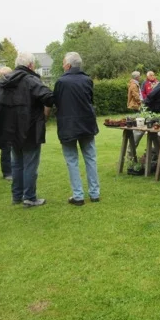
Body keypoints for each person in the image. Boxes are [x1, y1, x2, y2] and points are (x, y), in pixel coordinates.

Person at [0, 52, 54, 208]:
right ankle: (29, 197)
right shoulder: (31, 80)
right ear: (30, 65)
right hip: (30, 129)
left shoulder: (3, 81)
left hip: (10, 130)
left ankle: (17, 196)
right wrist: (43, 112)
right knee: (30, 164)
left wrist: (1, 116)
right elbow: (49, 97)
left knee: (17, 164)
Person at [54, 52, 100, 205]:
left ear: (68, 65)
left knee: (72, 160)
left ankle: (78, 196)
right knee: (90, 158)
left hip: (68, 126)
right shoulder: (87, 80)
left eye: (63, 63)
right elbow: (90, 100)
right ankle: (94, 194)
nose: (62, 65)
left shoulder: (61, 82)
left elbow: (57, 103)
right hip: (87, 124)